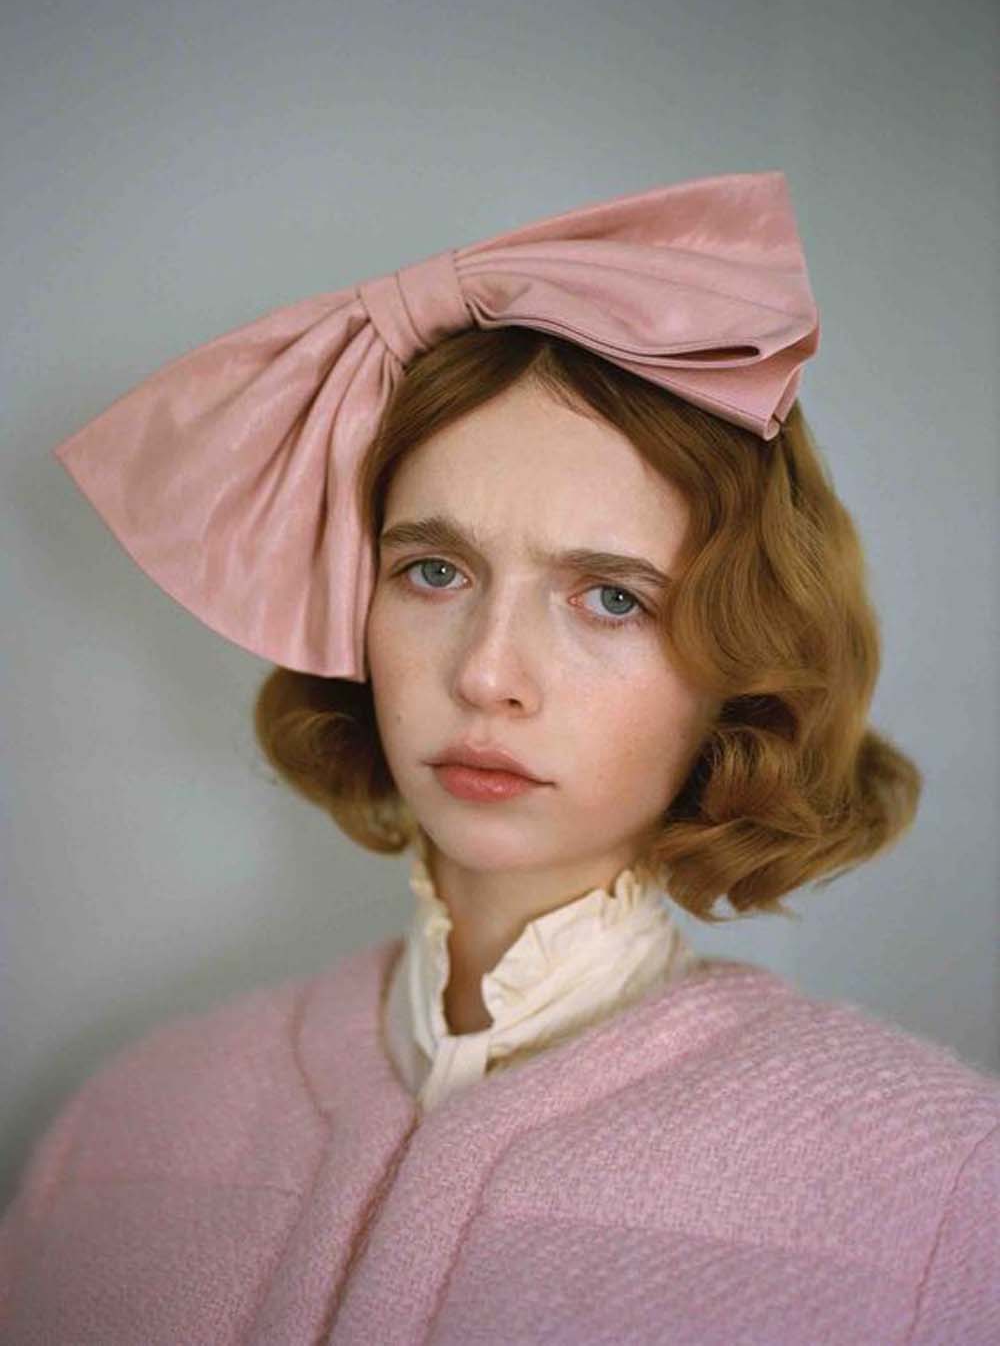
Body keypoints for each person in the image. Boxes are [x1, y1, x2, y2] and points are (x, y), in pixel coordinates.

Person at [2, 173, 997, 1344]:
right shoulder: (126, 1125)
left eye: (611, 598)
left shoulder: (939, 1186)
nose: (485, 674)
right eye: (434, 572)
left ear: (743, 664)